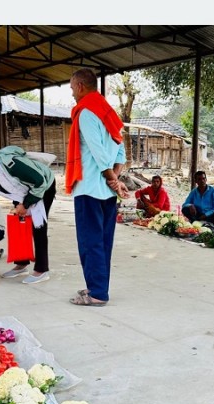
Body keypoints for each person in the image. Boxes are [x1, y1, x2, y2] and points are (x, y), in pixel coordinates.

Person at [66, 68, 129, 306]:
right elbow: (120, 150)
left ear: (81, 86)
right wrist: (115, 178)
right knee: (103, 242)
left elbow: (97, 151)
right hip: (107, 192)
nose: (72, 94)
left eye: (72, 88)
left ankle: (97, 294)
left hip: (90, 188)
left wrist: (111, 177)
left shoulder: (86, 113)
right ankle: (98, 287)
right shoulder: (108, 112)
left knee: (90, 242)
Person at [0, 143, 56, 285]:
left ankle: (41, 270)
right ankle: (21, 263)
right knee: (19, 224)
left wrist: (26, 204)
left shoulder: (11, 165)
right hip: (20, 190)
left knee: (38, 227)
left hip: (44, 186)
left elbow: (39, 182)